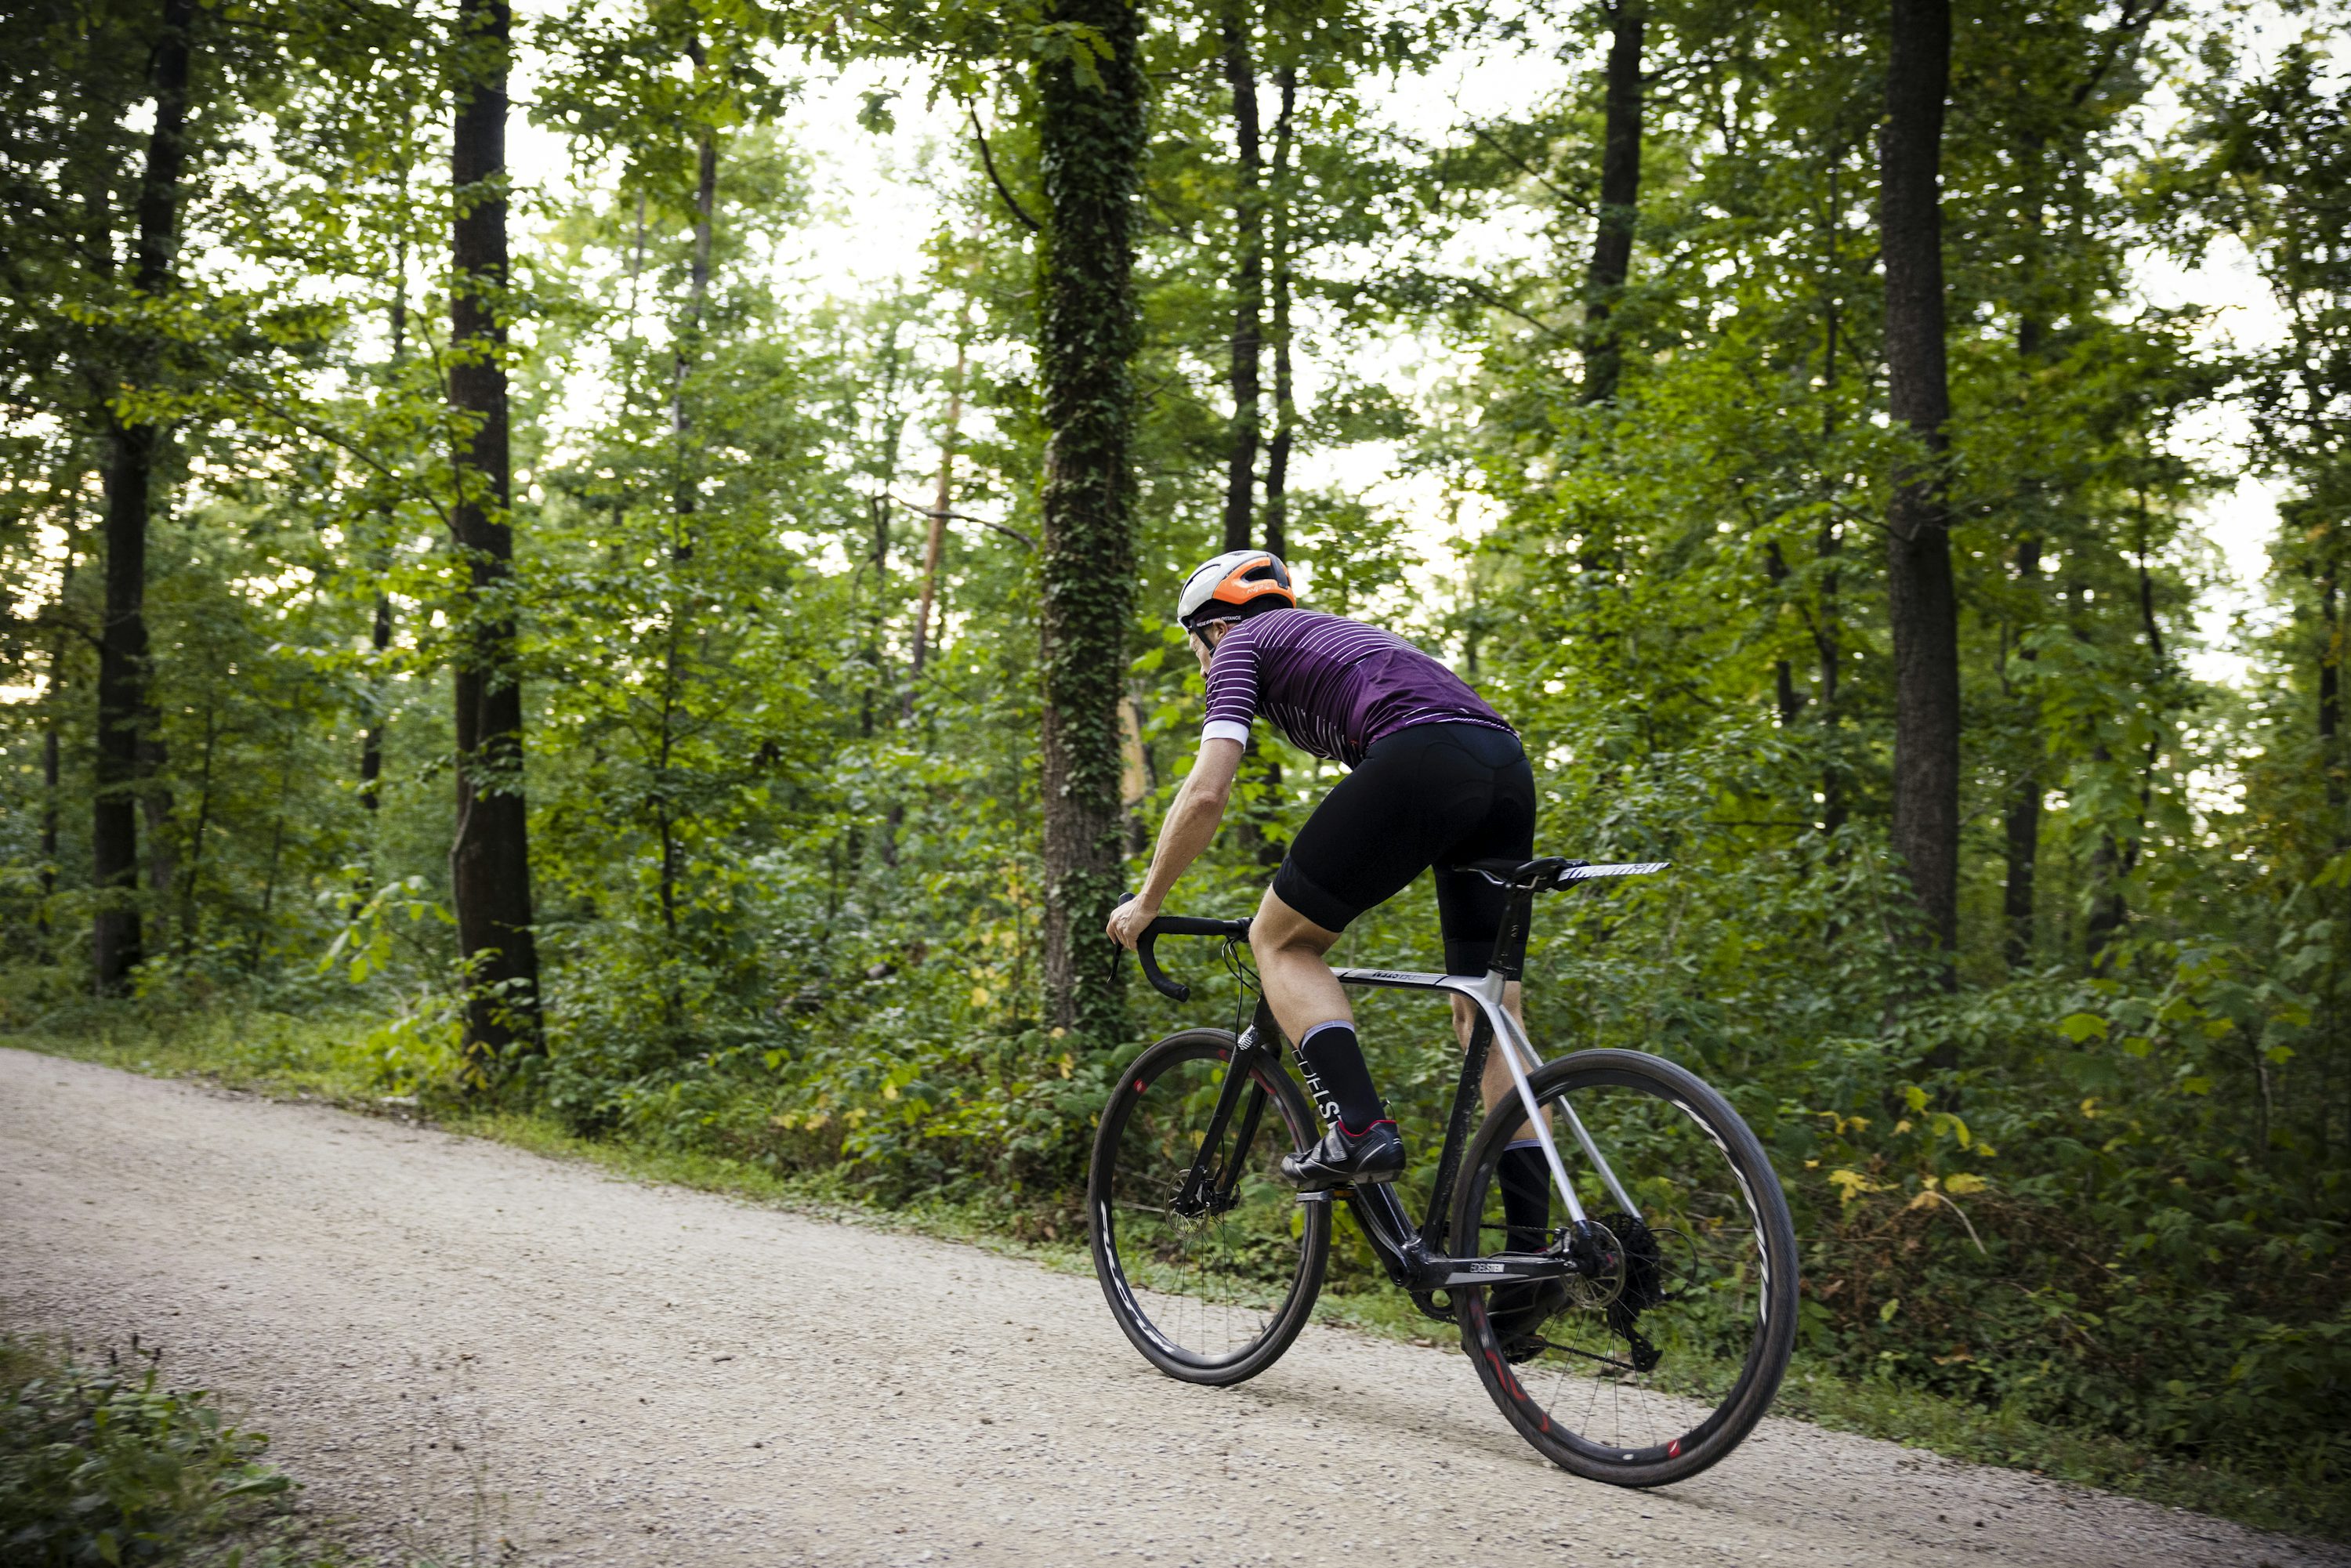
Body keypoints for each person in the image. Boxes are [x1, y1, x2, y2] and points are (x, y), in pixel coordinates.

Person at [1104, 550, 1553, 1262]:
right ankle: (1537, 1258)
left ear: (1211, 627)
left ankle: (1360, 1127)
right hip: (1505, 765)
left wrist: (1148, 900)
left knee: (1280, 941)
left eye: (1195, 649)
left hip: (1422, 755)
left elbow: (1206, 791)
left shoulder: (1239, 646)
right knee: (1488, 1011)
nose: (1200, 668)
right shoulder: (1341, 636)